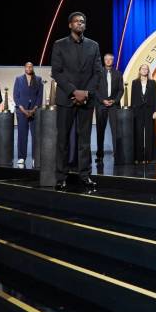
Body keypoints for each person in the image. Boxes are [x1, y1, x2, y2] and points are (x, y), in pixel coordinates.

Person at [51, 12, 102, 188]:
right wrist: (74, 91)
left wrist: (86, 92)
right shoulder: (59, 45)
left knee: (85, 140)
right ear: (70, 25)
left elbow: (98, 72)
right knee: (63, 140)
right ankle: (61, 177)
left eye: (83, 22)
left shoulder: (93, 46)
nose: (80, 24)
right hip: (66, 98)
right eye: (77, 21)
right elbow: (56, 72)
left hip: (87, 99)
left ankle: (85, 175)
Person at [95, 53, 124, 164]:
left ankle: (117, 154)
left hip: (114, 105)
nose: (108, 61)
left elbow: (121, 90)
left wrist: (114, 101)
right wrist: (102, 100)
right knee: (100, 131)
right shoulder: (98, 73)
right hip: (101, 105)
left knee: (116, 131)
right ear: (104, 60)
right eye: (106, 59)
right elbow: (95, 89)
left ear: (113, 61)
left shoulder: (118, 74)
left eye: (110, 59)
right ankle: (100, 155)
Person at [13, 62, 43, 165]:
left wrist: (34, 109)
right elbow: (16, 96)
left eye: (31, 66)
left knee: (35, 135)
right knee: (22, 134)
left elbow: (40, 96)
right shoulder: (18, 79)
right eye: (27, 66)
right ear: (25, 68)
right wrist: (23, 110)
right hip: (22, 111)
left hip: (34, 111)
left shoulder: (38, 79)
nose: (29, 68)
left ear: (32, 68)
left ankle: (35, 157)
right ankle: (21, 157)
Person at [130, 63, 156, 163]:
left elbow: (155, 98)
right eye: (143, 68)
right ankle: (139, 157)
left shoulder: (152, 83)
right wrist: (132, 111)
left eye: (146, 69)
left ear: (148, 71)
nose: (145, 70)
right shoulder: (135, 82)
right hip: (138, 111)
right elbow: (132, 98)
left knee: (149, 134)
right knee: (138, 134)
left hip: (149, 111)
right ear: (139, 70)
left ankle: (149, 158)